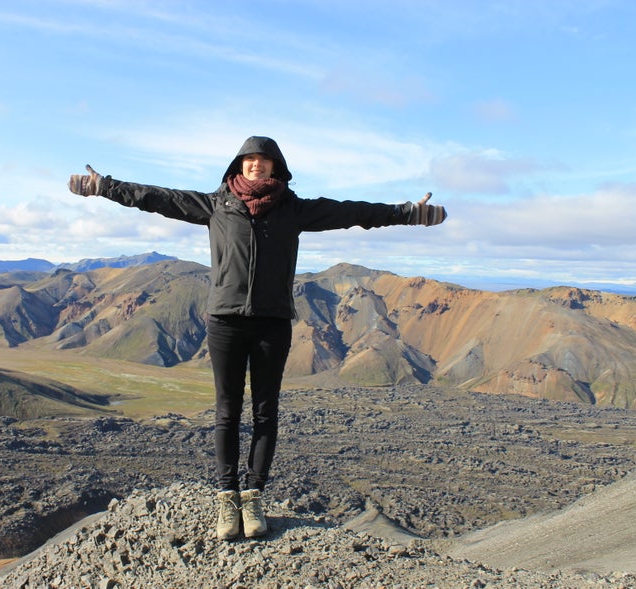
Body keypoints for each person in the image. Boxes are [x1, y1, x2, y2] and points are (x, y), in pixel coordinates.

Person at [68, 136, 446, 540]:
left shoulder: (294, 209)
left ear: (276, 167)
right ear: (238, 165)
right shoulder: (215, 205)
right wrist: (104, 186)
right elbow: (156, 197)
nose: (256, 166)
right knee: (227, 412)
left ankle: (253, 495)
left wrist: (410, 213)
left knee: (266, 413)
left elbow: (352, 212)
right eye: (250, 160)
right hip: (226, 323)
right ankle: (227, 496)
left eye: (264, 161)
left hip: (272, 323)